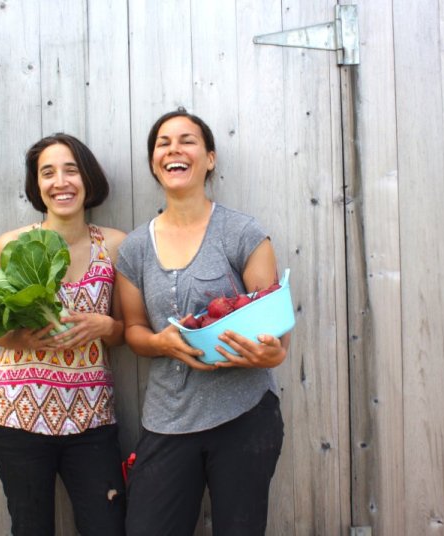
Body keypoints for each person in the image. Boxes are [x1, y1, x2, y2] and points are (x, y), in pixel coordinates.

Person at [116, 110, 290, 535]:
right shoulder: (136, 247)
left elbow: (272, 321)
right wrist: (160, 344)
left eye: (188, 140)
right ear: (155, 162)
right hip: (167, 420)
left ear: (209, 159)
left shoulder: (243, 233)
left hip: (243, 415)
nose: (174, 148)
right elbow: (133, 330)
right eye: (163, 142)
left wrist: (273, 351)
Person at [0, 133, 127, 536]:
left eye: (71, 170)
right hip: (18, 413)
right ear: (37, 185)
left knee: (107, 527)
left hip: (91, 416)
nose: (60, 181)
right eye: (48, 173)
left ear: (88, 179)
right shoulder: (10, 245)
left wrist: (104, 326)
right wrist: (22, 339)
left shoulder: (115, 246)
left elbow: (126, 331)